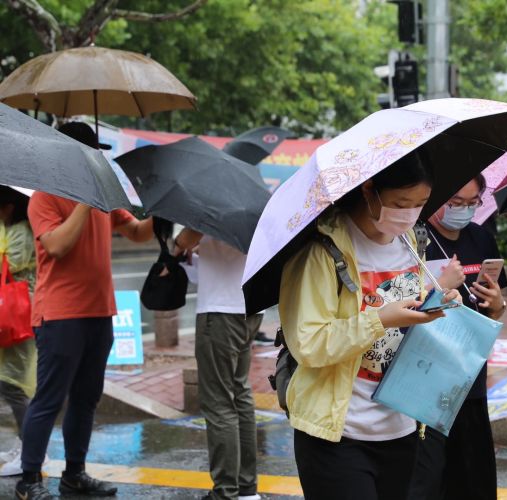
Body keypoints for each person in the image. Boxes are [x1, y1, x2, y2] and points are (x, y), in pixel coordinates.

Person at [278, 151, 459, 500]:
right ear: (369, 190)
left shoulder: (413, 243)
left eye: (420, 204)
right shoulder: (323, 251)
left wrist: (441, 305)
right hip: (339, 435)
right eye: (401, 202)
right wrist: (381, 318)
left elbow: (415, 314)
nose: (409, 214)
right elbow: (310, 344)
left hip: (401, 428)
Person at [15, 122, 154, 500]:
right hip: (60, 315)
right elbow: (57, 246)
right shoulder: (44, 196)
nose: (97, 160)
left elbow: (139, 232)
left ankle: (74, 473)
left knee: (86, 397)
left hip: (99, 311)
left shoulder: (105, 199)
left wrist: (160, 208)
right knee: (49, 397)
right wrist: (83, 200)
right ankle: (29, 480)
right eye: (91, 154)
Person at [408, 175, 507, 500]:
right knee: (427, 482)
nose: (463, 211)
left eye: (471, 203)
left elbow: (495, 304)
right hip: (425, 382)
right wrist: (440, 285)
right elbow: (404, 309)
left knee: (473, 481)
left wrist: (497, 306)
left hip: (469, 378)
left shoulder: (481, 238)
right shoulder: (414, 241)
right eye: (455, 203)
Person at [172, 229, 263, 500]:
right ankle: (246, 489)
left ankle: (225, 492)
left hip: (220, 311)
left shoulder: (213, 208)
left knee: (220, 402)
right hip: (249, 307)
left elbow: (188, 237)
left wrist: (178, 244)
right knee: (240, 395)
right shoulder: (253, 204)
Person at [0, 187, 38, 477]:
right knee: (11, 384)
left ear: (9, 206)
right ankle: (27, 446)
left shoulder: (20, 232)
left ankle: (32, 452)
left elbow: (9, 265)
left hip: (19, 313)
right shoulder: (11, 228)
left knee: (16, 386)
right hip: (15, 311)